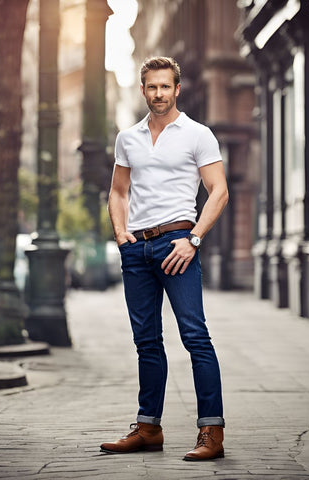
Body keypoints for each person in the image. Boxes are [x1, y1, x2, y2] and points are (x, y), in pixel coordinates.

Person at [101, 56, 229, 462]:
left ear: (178, 89)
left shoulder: (197, 134)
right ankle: (148, 427)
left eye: (165, 86)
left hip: (178, 244)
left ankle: (212, 430)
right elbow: (119, 191)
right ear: (143, 90)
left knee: (195, 337)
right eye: (151, 87)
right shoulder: (128, 138)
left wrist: (192, 239)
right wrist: (122, 235)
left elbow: (219, 191)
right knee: (146, 342)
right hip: (137, 249)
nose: (158, 94)